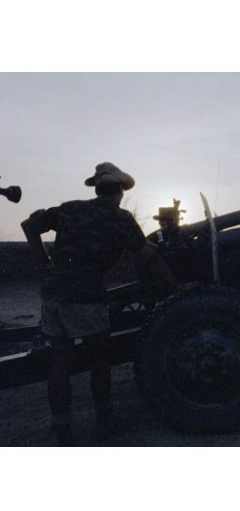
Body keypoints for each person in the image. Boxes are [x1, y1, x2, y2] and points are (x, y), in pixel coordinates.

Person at [21, 162, 178, 446]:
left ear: (97, 189)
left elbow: (29, 226)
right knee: (100, 359)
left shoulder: (69, 208)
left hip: (54, 295)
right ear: (119, 191)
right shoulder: (119, 218)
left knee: (59, 363)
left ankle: (63, 429)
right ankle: (104, 422)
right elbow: (147, 258)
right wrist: (176, 288)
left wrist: (42, 262)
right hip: (87, 298)